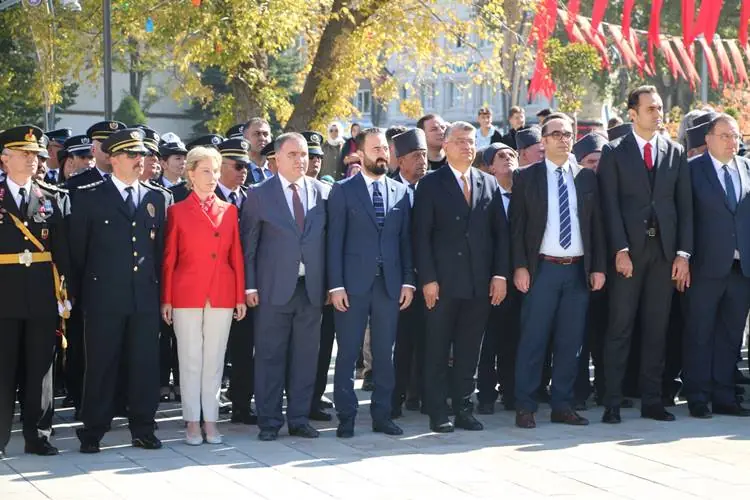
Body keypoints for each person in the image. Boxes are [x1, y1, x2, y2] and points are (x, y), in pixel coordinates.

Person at [70, 128, 171, 453]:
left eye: (141, 154)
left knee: (144, 365)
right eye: (131, 155)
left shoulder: (157, 198)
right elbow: (78, 254)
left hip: (144, 297)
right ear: (113, 159)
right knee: (102, 364)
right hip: (104, 298)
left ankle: (143, 427)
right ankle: (93, 430)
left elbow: (160, 255)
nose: (139, 160)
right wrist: (77, 297)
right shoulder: (89, 196)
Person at [598, 86, 693, 424]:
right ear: (633, 114)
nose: (658, 114)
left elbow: (684, 206)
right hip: (629, 253)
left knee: (658, 327)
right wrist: (619, 250)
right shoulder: (614, 151)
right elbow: (608, 207)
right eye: (651, 108)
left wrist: (682, 254)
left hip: (664, 253)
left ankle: (652, 400)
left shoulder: (675, 151)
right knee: (620, 326)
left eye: (659, 108)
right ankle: (612, 400)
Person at [510, 115, 606, 429]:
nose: (563, 139)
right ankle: (525, 405)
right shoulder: (527, 177)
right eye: (556, 134)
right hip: (542, 270)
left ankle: (562, 404)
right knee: (533, 340)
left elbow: (595, 227)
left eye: (568, 134)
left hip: (577, 271)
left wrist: (598, 268)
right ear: (544, 140)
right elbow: (517, 228)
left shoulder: (586, 178)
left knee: (571, 342)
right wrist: (520, 266)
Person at [413, 121, 509, 433]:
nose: (467, 147)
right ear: (446, 146)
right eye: (460, 141)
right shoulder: (430, 183)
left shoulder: (488, 183)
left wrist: (499, 275)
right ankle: (438, 411)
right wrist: (427, 278)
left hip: (478, 282)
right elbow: (421, 236)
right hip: (441, 283)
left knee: (470, 350)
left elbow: (500, 235)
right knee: (438, 348)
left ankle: (464, 408)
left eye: (471, 142)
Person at [240, 132, 330, 441]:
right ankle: (269, 421)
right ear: (276, 158)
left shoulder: (322, 192)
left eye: (303, 154)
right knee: (269, 357)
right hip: (272, 290)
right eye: (292, 154)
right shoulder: (259, 194)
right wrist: (249, 287)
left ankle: (300, 419)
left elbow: (327, 244)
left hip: (311, 289)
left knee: (306, 358)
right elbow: (248, 246)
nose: (300, 160)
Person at [327, 128, 414, 438]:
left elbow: (405, 242)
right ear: (360, 153)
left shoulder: (401, 192)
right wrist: (335, 285)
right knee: (349, 353)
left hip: (389, 286)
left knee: (383, 353)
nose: (382, 154)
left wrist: (408, 282)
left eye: (385, 149)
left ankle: (383, 415)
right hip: (351, 286)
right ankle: (346, 417)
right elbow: (334, 241)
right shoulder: (343, 190)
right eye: (375, 148)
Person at [161, 146, 247, 445]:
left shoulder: (230, 210)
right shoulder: (176, 211)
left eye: (216, 170)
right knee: (189, 359)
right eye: (206, 171)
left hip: (222, 293)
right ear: (191, 174)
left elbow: (236, 256)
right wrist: (167, 299)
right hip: (186, 293)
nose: (212, 177)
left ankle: (211, 421)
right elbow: (170, 257)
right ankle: (191, 422)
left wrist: (239, 296)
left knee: (214, 360)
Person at [0, 125, 72, 457]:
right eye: (24, 154)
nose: (32, 160)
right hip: (4, 297)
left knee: (41, 369)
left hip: (42, 296)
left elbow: (64, 253)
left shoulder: (52, 197)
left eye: (35, 155)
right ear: (5, 159)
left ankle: (38, 434)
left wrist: (65, 293)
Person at [682, 114, 750, 418]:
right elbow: (684, 217)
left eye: (735, 136)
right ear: (708, 139)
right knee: (700, 331)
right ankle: (697, 395)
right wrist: (682, 256)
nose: (731, 141)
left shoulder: (747, 169)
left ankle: (724, 396)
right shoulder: (692, 170)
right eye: (724, 135)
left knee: (730, 335)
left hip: (741, 268)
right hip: (705, 265)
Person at [213, 138, 257, 424]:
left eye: (246, 166)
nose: (243, 172)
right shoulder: (207, 195)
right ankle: (206, 405)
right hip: (215, 283)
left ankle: (242, 404)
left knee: (244, 348)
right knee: (212, 350)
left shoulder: (252, 196)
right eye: (238, 166)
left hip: (245, 284)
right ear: (222, 167)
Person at [477, 142, 522, 414]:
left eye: (512, 155)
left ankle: (510, 391)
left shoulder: (528, 194)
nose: (508, 159)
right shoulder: (482, 196)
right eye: (501, 157)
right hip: (490, 279)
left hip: (520, 279)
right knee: (488, 341)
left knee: (513, 338)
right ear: (490, 167)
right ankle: (484, 394)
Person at [390, 128, 429, 415]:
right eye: (416, 156)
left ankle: (421, 393)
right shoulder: (389, 189)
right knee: (402, 343)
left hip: (429, 277)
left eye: (425, 155)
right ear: (400, 161)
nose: (422, 161)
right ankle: (396, 397)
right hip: (398, 280)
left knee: (429, 339)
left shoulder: (433, 187)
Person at [572, 132, 609, 409]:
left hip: (612, 275)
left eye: (600, 161)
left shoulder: (613, 187)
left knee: (606, 335)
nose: (597, 167)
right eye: (591, 161)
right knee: (579, 336)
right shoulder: (574, 188)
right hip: (581, 273)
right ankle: (579, 391)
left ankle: (606, 389)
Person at [63, 121, 127, 192]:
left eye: (115, 146)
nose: (110, 150)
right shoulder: (75, 184)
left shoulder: (131, 180)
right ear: (93, 150)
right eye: (105, 146)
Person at [243, 118, 274, 184]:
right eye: (257, 134)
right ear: (245, 138)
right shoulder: (239, 169)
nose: (262, 138)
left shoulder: (280, 169)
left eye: (265, 134)